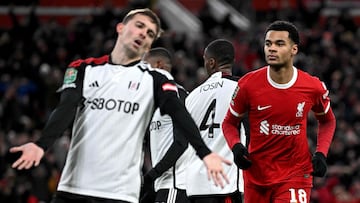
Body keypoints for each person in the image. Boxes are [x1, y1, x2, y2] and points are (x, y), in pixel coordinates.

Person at [8, 8, 230, 203]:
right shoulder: (82, 69)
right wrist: (41, 145)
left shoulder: (156, 81)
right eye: (139, 26)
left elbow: (181, 116)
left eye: (150, 33)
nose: (143, 33)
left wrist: (205, 153)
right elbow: (65, 109)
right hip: (74, 187)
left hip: (120, 193)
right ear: (121, 28)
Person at [222, 20, 336, 203]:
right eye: (268, 44)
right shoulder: (248, 84)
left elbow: (328, 120)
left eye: (279, 44)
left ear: (294, 49)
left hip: (295, 174)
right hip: (256, 176)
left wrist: (321, 153)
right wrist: (236, 147)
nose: (271, 49)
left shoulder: (312, 86)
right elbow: (229, 122)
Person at [185, 39, 245, 203]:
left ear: (211, 62)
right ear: (232, 60)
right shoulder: (242, 89)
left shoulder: (192, 96)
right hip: (227, 182)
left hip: (195, 185)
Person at [141, 47, 191, 203]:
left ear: (159, 65)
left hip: (175, 185)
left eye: (145, 66)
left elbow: (182, 142)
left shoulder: (177, 95)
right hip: (162, 184)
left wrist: (154, 173)